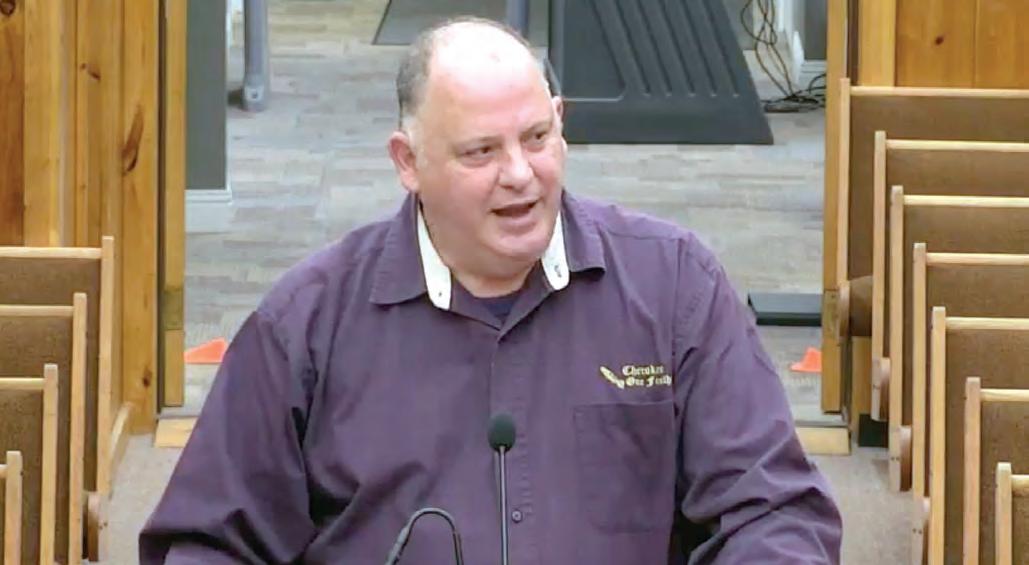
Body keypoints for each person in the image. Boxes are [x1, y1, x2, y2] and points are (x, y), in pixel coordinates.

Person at [140, 17, 842, 564]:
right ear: (407, 162)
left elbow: (772, 511)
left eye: (537, 137)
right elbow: (206, 542)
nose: (520, 174)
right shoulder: (306, 324)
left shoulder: (674, 286)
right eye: (481, 151)